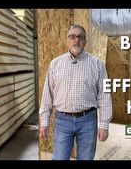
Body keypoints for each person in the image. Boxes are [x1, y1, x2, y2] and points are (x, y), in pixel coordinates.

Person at [39, 24, 112, 160]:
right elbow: (47, 94)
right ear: (67, 40)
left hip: (88, 121)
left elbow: (104, 95)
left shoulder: (97, 64)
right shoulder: (55, 64)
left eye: (80, 37)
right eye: (72, 37)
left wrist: (104, 124)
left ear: (85, 41)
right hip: (62, 120)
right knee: (59, 158)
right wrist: (44, 122)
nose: (76, 40)